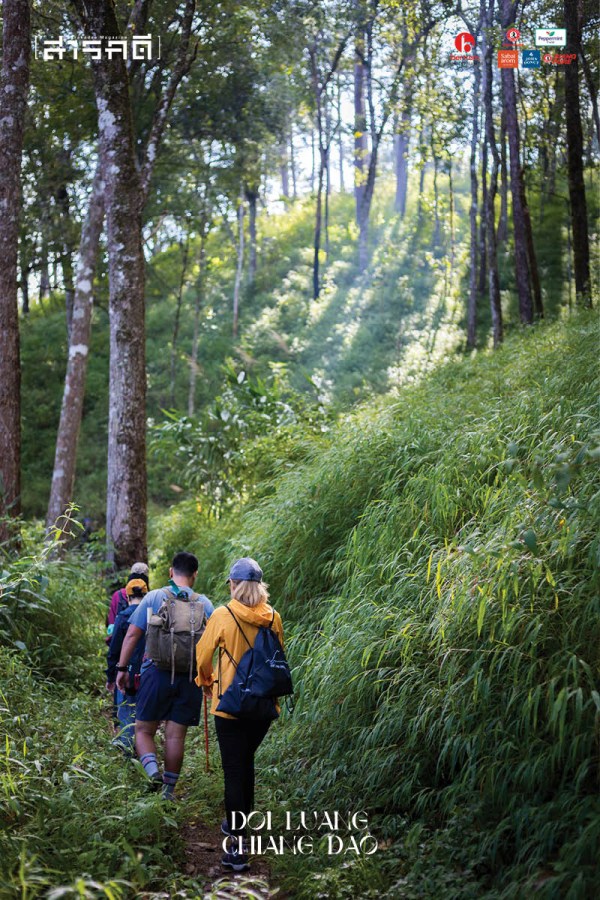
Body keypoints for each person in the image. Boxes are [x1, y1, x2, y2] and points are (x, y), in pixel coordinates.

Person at [195, 557, 285, 873]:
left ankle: (237, 847)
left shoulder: (223, 614)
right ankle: (240, 827)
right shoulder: (273, 617)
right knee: (246, 764)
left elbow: (203, 655)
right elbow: (277, 657)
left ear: (234, 585)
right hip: (262, 706)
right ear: (260, 586)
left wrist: (205, 682)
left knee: (234, 770)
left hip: (230, 706)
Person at [115, 551, 213, 799]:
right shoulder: (206, 604)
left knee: (144, 730)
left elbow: (132, 635)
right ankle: (168, 792)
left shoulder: (154, 596)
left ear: (171, 572)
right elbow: (211, 645)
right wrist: (209, 680)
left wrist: (122, 668)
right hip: (189, 677)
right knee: (175, 736)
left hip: (156, 673)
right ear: (195, 575)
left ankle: (151, 772)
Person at [106, 577, 148, 756]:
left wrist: (111, 676)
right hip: (148, 673)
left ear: (128, 597)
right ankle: (144, 751)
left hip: (126, 673)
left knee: (125, 710)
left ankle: (127, 753)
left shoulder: (123, 617)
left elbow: (114, 649)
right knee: (143, 713)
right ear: (146, 595)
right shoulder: (152, 615)